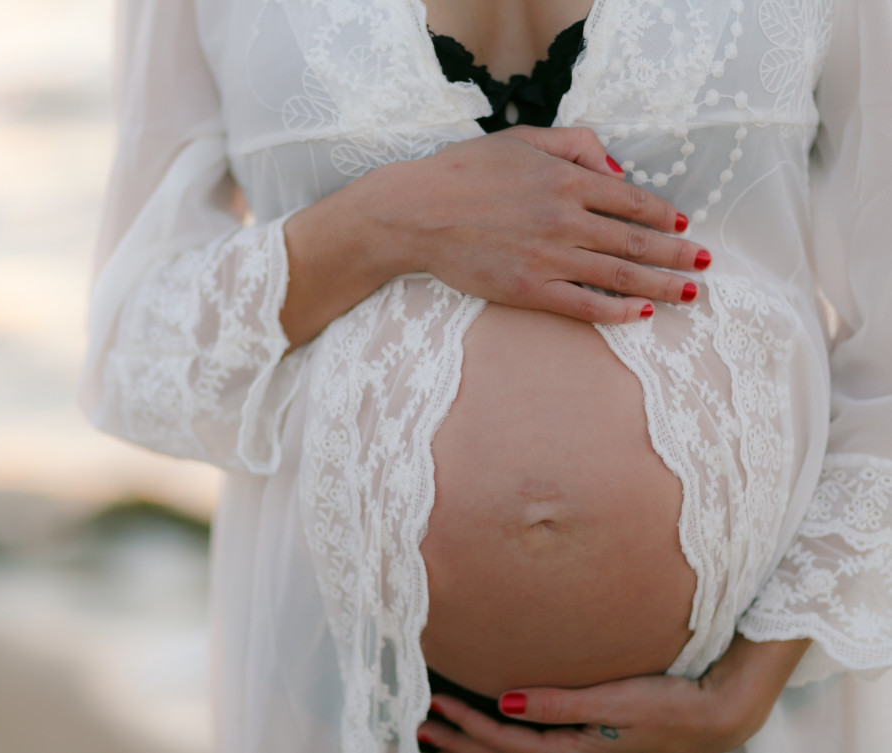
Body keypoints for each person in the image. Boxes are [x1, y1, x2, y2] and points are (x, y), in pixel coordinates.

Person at [79, 0, 892, 751]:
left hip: (728, 713)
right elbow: (132, 350)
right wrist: (377, 224)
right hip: (343, 698)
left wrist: (748, 686)